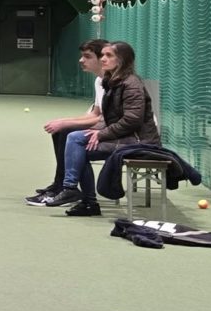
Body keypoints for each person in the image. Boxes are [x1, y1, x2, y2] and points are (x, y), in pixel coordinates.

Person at [40, 40, 161, 217]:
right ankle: (85, 201)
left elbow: (132, 120)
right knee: (76, 144)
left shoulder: (131, 84)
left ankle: (73, 190)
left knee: (75, 139)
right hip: (122, 136)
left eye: (108, 55)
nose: (103, 59)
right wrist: (97, 131)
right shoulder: (110, 82)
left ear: (121, 60)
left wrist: (102, 133)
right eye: (102, 55)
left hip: (139, 141)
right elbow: (107, 117)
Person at [24, 39, 107, 206]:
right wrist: (63, 121)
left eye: (87, 56)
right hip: (104, 127)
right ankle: (59, 185)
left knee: (69, 133)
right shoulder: (99, 81)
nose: (81, 60)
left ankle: (66, 188)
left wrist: (66, 124)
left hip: (113, 133)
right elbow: (95, 113)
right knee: (61, 131)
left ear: (101, 59)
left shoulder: (114, 83)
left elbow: (104, 120)